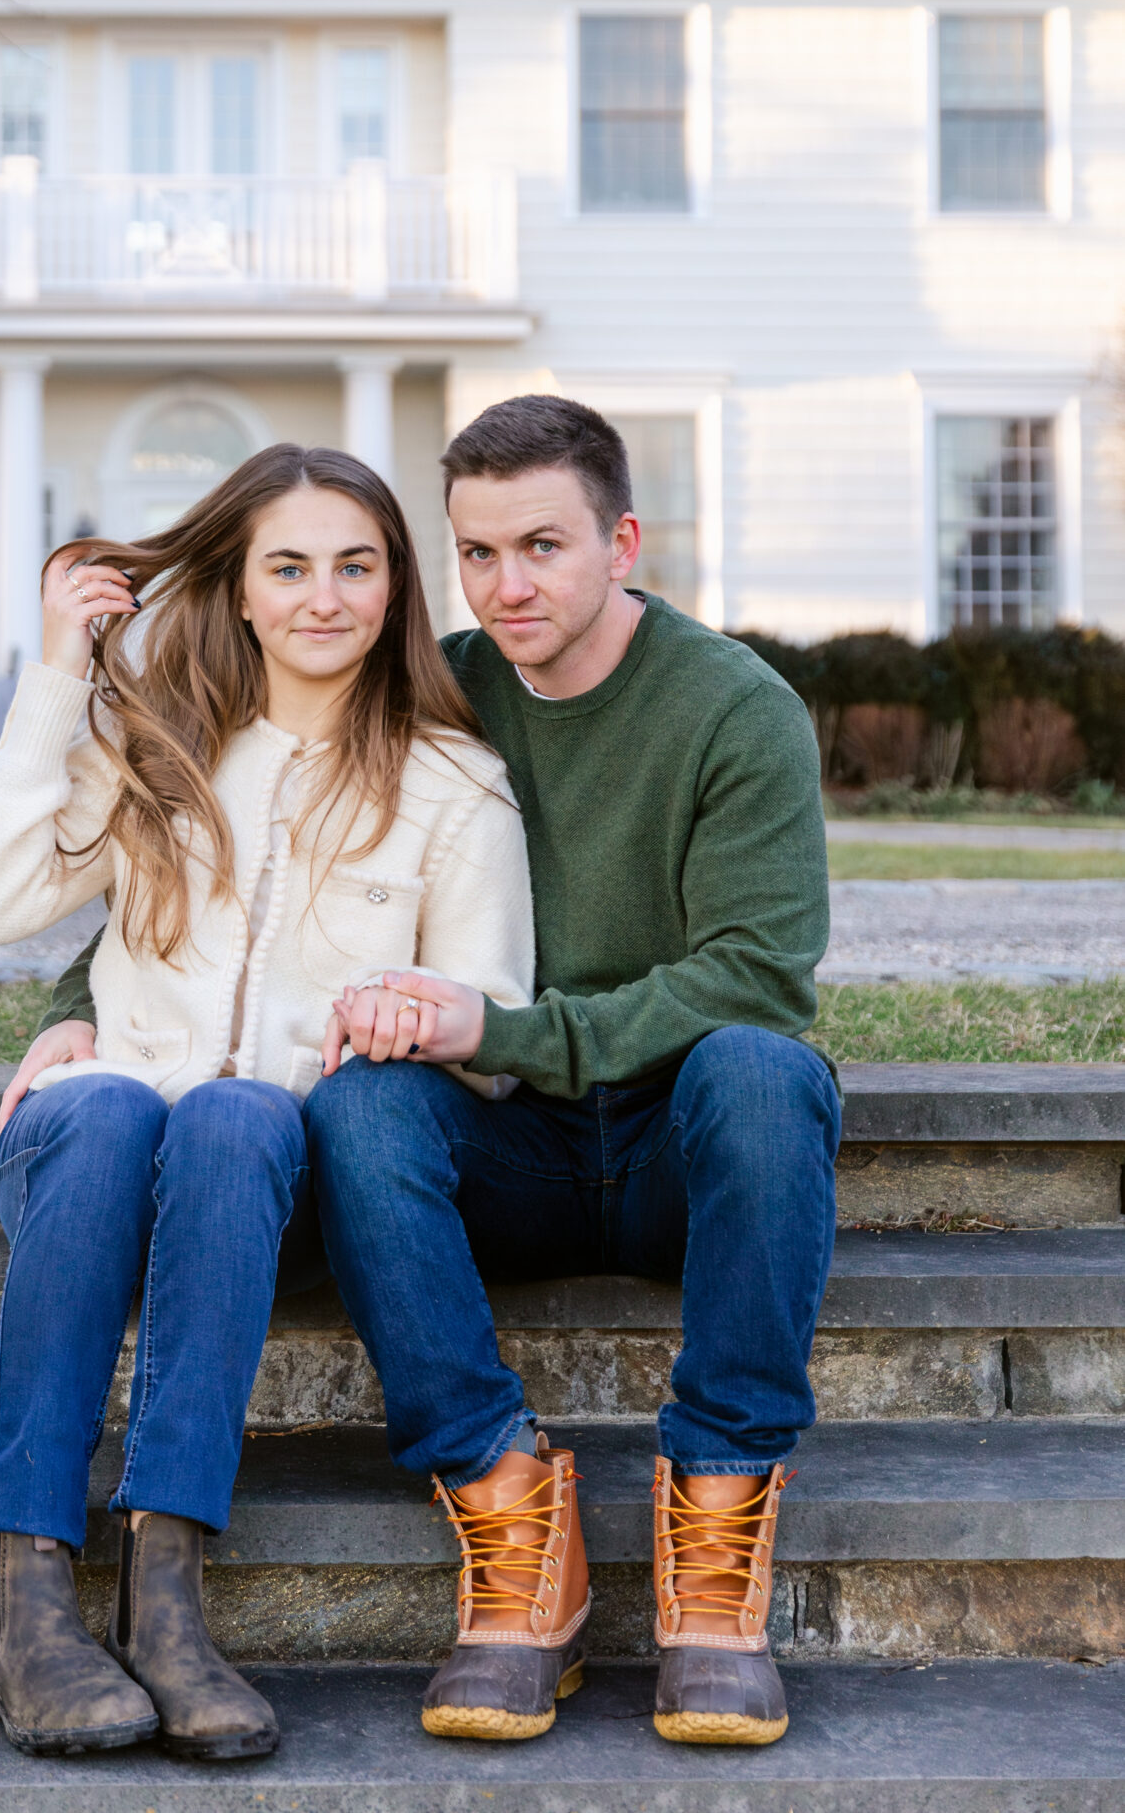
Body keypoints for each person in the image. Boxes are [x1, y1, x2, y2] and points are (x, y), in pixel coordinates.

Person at [0, 443, 535, 1763]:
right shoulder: (154, 743)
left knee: (236, 1117)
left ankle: (167, 1604)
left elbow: (493, 1023)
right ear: (242, 585)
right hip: (94, 1151)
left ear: (395, 589)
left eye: (355, 566)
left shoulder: (454, 788)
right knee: (106, 1112)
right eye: (289, 566)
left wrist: (413, 1024)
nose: (322, 597)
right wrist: (58, 673)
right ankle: (26, 1600)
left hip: (262, 1175)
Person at [304, 394, 836, 1750]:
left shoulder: (737, 709)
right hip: (510, 1148)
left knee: (767, 1075)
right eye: (476, 553)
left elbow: (753, 977)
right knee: (361, 1110)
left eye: (541, 545)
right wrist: (81, 1005)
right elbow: (240, 831)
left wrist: (506, 1030)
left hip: (678, 1146)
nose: (507, 584)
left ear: (624, 541)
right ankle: (509, 1519)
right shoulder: (444, 685)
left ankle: (717, 1535)